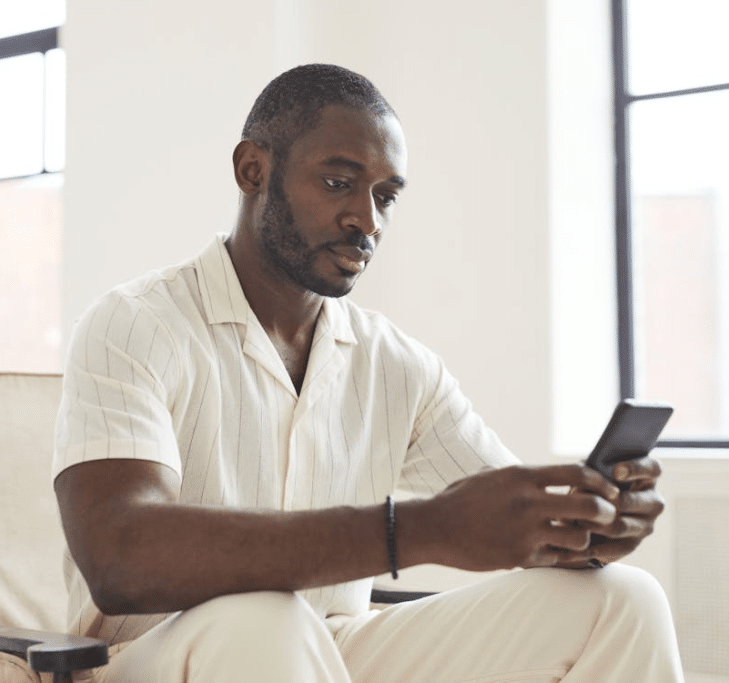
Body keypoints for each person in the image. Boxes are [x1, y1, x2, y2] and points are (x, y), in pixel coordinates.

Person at [52, 64, 684, 682]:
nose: (368, 220)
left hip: (329, 650)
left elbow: (506, 517)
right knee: (261, 617)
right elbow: (118, 555)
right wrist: (412, 531)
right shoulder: (134, 323)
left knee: (623, 602)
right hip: (151, 661)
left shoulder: (397, 365)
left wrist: (585, 524)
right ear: (253, 170)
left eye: (385, 196)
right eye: (337, 184)